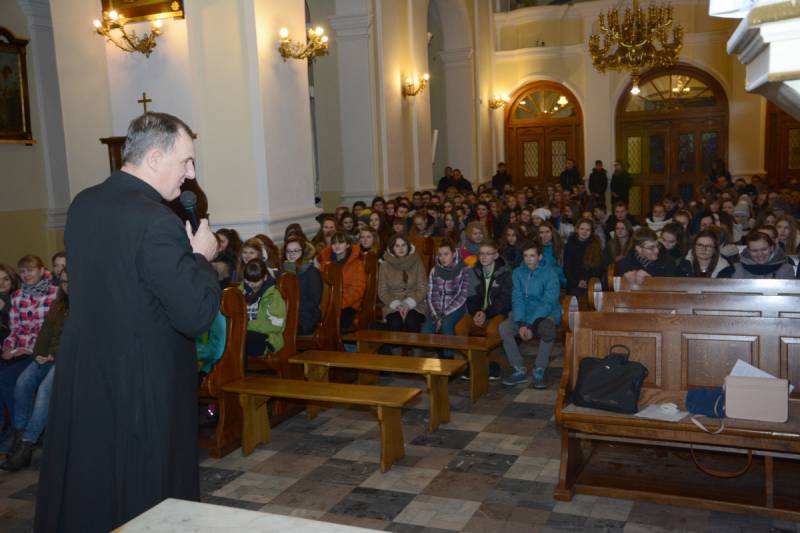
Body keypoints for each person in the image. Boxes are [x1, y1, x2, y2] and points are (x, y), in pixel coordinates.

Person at [35, 113, 221, 533]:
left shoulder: (84, 204)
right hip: (142, 383)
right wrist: (200, 257)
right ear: (155, 158)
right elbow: (194, 314)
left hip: (88, 373)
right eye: (186, 161)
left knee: (93, 480)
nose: (191, 173)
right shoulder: (156, 221)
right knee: (145, 494)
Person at [2, 269, 69, 472]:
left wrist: (54, 355)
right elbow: (45, 332)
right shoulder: (59, 304)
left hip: (68, 359)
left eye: (69, 282)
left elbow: (76, 338)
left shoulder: (83, 305)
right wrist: (39, 353)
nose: (66, 286)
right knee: (23, 383)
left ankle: (27, 444)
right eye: (63, 282)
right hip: (47, 356)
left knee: (45, 391)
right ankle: (20, 434)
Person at [499, 240, 561, 389]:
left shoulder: (550, 273)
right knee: (504, 328)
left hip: (546, 313)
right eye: (525, 256)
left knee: (547, 330)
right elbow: (517, 298)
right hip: (524, 314)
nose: (528, 259)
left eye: (532, 255)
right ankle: (519, 369)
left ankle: (539, 369)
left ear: (540, 256)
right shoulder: (518, 273)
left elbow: (548, 302)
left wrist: (529, 325)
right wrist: (521, 323)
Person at [455, 241, 511, 374]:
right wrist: (476, 312)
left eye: (488, 254)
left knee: (493, 330)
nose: (484, 257)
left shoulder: (505, 272)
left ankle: (494, 363)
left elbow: (504, 300)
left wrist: (486, 313)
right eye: (481, 253)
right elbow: (471, 296)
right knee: (460, 328)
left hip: (496, 312)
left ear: (496, 255)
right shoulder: (474, 271)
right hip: (478, 312)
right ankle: (472, 361)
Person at [421, 239, 469, 359]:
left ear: (453, 254)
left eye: (446, 254)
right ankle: (440, 352)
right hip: (437, 310)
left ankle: (449, 358)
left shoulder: (463, 269)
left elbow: (462, 296)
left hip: (456, 308)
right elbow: (431, 296)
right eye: (440, 255)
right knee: (425, 331)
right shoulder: (434, 271)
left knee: (446, 324)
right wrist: (436, 315)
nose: (442, 258)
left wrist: (443, 316)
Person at [378, 234, 428, 334]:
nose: (401, 249)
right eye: (397, 246)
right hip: (393, 306)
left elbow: (423, 288)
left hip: (416, 304)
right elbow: (382, 291)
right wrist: (398, 305)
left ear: (408, 246)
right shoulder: (385, 264)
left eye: (403, 245)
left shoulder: (417, 260)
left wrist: (408, 304)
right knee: (395, 323)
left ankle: (416, 345)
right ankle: (393, 345)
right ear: (392, 248)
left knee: (411, 322)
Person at [319, 232, 366, 331]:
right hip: (327, 303)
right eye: (334, 243)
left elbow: (358, 289)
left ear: (348, 245)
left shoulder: (357, 264)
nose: (337, 246)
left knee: (337, 322)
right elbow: (321, 286)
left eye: (341, 242)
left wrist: (339, 303)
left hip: (348, 304)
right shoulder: (325, 263)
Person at [240, 259, 287, 358]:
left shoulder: (273, 295)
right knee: (228, 337)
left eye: (255, 281)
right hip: (243, 331)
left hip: (268, 337)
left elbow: (277, 326)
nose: (250, 284)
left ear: (265, 277)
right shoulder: (240, 292)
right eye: (247, 280)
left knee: (242, 339)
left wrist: (246, 324)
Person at [283, 236, 322, 336]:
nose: (291, 254)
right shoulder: (285, 272)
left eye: (296, 251)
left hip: (306, 317)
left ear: (303, 252)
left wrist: (291, 307)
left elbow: (314, 301)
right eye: (288, 251)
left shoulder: (311, 272)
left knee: (282, 330)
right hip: (287, 315)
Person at [615, 227, 680, 284]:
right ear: (638, 248)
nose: (657, 250)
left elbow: (672, 288)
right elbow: (611, 289)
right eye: (651, 247)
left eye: (657, 245)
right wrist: (624, 278)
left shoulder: (668, 262)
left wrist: (652, 280)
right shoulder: (623, 265)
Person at [563, 218, 604, 297]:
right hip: (574, 282)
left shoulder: (596, 245)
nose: (584, 232)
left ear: (591, 232)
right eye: (582, 229)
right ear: (577, 229)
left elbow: (598, 268)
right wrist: (577, 282)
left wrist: (587, 281)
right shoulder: (570, 244)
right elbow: (567, 267)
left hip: (591, 282)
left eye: (587, 230)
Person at [0, 264, 19, 346]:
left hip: (12, 343)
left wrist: (5, 308)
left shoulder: (20, 298)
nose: (1, 283)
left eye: (6, 279)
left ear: (13, 281)